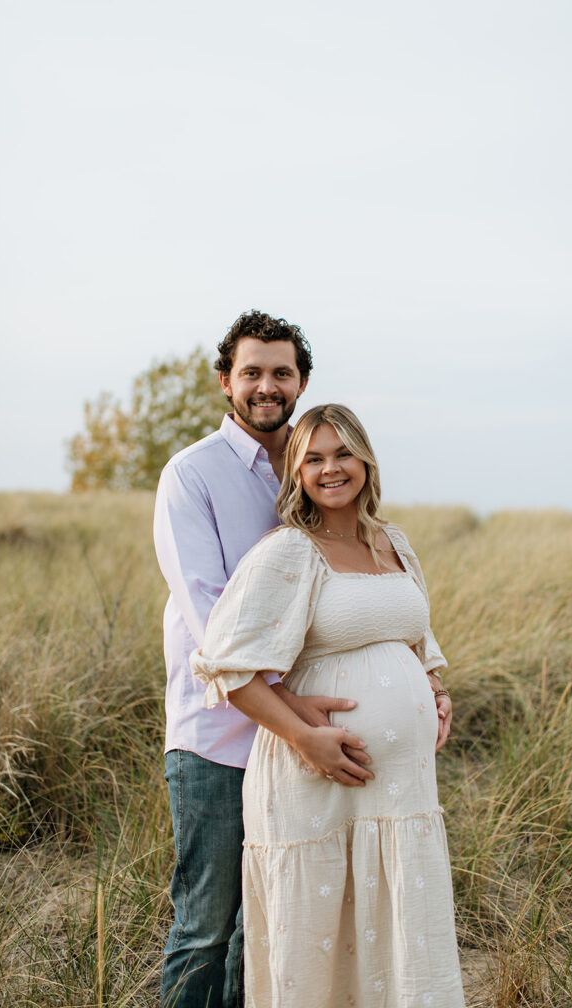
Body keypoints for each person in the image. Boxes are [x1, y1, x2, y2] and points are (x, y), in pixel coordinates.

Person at [192, 404, 465, 1008]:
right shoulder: (288, 551)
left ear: (365, 459)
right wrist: (302, 737)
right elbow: (226, 666)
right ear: (296, 473)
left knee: (399, 937)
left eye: (342, 453)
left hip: (401, 796)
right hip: (316, 784)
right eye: (313, 458)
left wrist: (435, 691)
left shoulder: (392, 542)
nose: (330, 469)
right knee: (320, 942)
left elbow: (417, 639)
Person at [154, 316, 372, 1008]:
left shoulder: (315, 470)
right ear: (226, 382)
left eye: (281, 373)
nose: (266, 387)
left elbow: (345, 595)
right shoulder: (193, 475)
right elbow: (211, 620)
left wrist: (423, 677)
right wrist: (292, 711)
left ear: (301, 382)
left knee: (270, 928)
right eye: (251, 372)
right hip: (220, 740)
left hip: (299, 748)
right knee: (206, 928)